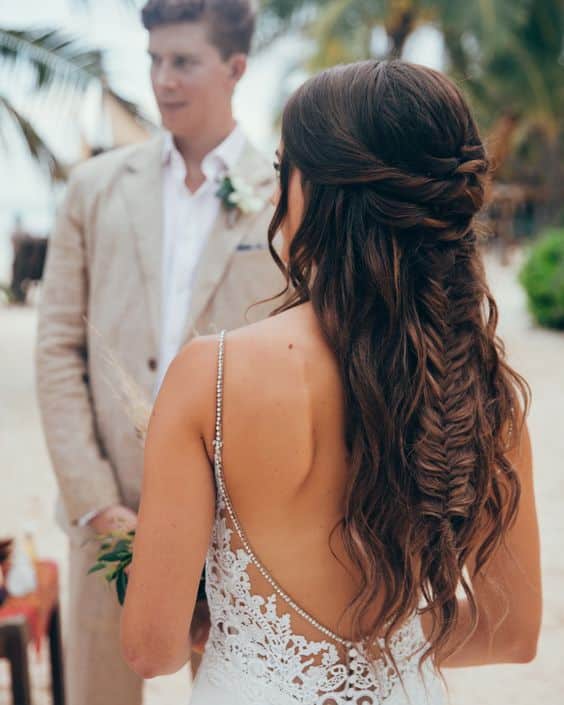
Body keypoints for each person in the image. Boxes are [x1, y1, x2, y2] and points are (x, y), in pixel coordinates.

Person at [121, 60, 542, 704]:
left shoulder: (211, 375)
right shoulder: (482, 389)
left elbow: (152, 649)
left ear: (318, 190)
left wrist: (250, 633)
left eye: (281, 169)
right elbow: (511, 633)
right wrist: (389, 645)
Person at [36, 1, 279, 703]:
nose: (162, 80)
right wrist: (97, 502)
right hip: (103, 514)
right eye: (153, 60)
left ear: (235, 68)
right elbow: (56, 349)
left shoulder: (288, 194)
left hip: (244, 522)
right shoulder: (92, 189)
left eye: (183, 61)